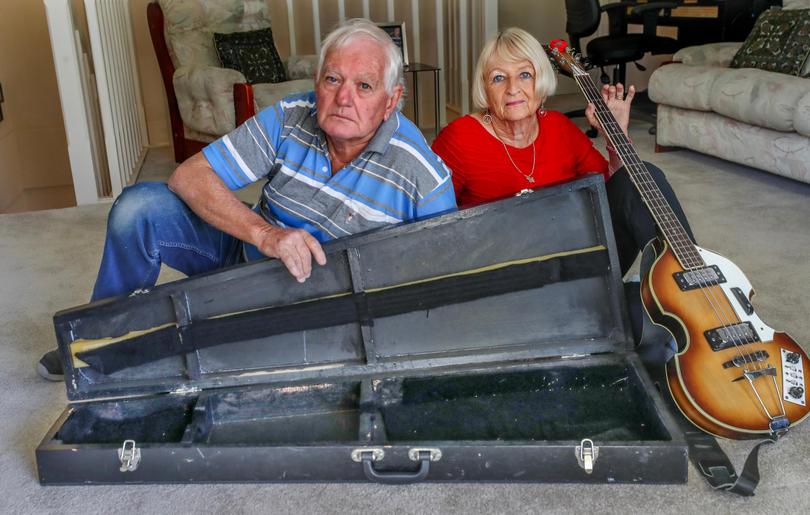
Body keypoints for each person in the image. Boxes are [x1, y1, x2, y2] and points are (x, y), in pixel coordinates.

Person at [37, 19, 456, 381]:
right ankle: (96, 335)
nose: (343, 97)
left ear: (392, 100)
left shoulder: (422, 173)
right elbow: (190, 175)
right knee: (139, 208)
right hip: (245, 257)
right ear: (317, 82)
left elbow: (442, 283)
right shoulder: (292, 115)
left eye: (364, 86)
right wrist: (266, 234)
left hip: (322, 308)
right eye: (332, 79)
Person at [431, 28, 695, 342]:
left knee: (643, 177)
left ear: (540, 83)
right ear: (484, 88)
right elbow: (435, 229)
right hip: (507, 284)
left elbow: (621, 191)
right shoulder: (460, 138)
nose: (513, 88)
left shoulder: (558, 127)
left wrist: (616, 137)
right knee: (639, 322)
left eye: (525, 75)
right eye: (498, 78)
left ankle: (696, 288)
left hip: (575, 268)